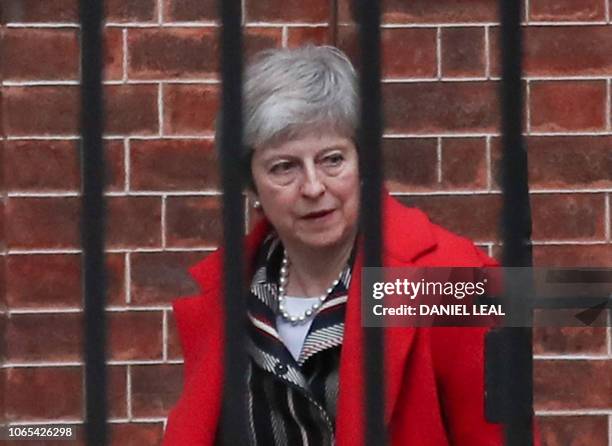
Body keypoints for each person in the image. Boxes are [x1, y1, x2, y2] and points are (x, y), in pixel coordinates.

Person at [163, 45, 535, 445]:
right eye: (283, 167)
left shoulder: (449, 278)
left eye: (332, 160)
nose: (313, 187)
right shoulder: (232, 294)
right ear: (252, 183)